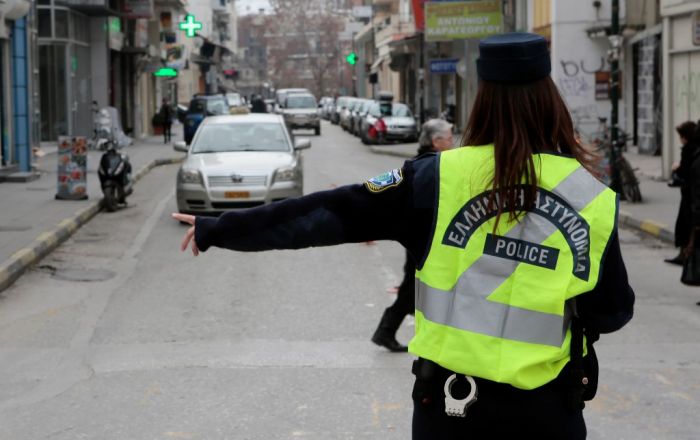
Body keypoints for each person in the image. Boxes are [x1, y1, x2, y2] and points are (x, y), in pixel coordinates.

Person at [173, 32, 634, 438]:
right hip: (548, 413)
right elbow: (611, 311)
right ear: (550, 98)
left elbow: (328, 213)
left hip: (452, 409)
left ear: (481, 98)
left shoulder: (434, 179)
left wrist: (222, 228)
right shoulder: (591, 196)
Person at [372, 118, 454, 352]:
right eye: (449, 138)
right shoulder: (430, 165)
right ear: (436, 142)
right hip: (424, 235)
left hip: (424, 234)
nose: (452, 142)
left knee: (417, 286)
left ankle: (388, 331)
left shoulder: (428, 162)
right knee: (413, 287)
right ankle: (386, 331)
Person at [665, 121, 698, 264]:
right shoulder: (695, 149)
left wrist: (676, 168)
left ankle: (685, 255)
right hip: (693, 194)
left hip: (691, 195)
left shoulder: (689, 150)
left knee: (686, 225)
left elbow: (686, 172)